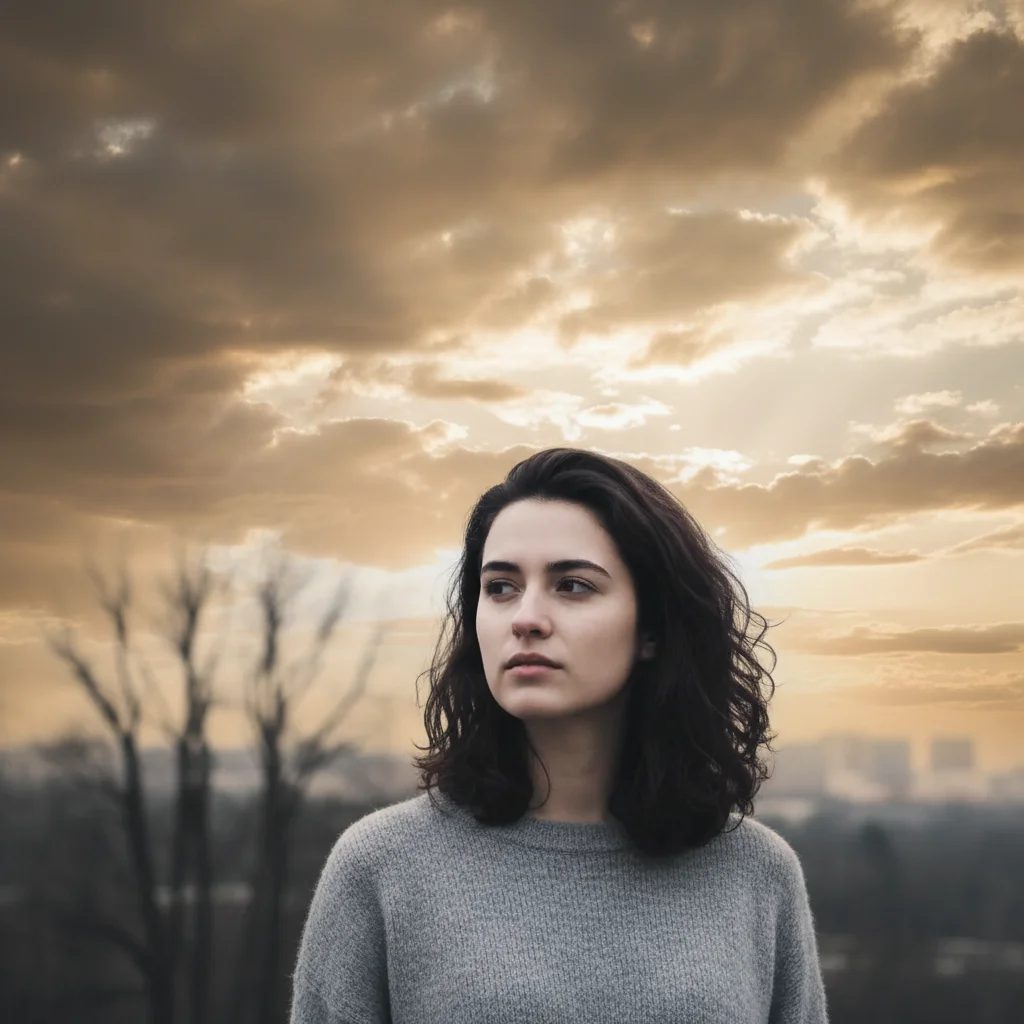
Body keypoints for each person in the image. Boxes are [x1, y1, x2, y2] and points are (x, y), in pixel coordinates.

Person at [290, 447, 830, 1023]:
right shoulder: (382, 866)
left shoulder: (756, 872)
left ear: (651, 628)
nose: (525, 618)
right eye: (501, 587)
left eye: (572, 586)